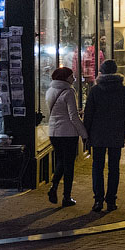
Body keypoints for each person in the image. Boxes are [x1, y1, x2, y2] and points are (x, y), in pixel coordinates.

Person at [82, 60, 125, 212]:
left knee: (97, 167)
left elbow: (88, 115)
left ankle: (98, 200)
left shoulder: (95, 90)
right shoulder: (124, 90)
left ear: (102, 72)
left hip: (97, 133)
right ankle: (111, 200)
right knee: (114, 168)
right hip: (116, 132)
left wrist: (85, 135)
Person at [46, 67, 88, 207]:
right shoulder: (69, 92)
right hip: (68, 133)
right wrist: (84, 134)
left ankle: (54, 186)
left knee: (60, 161)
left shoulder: (50, 90)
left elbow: (57, 111)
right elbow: (73, 117)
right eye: (72, 76)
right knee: (68, 164)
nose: (74, 79)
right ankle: (66, 197)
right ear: (66, 78)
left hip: (54, 132)